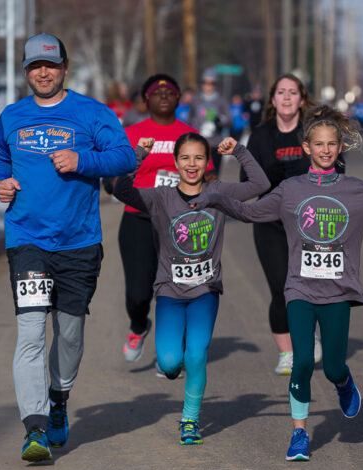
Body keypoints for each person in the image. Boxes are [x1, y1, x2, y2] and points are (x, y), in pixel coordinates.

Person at [192, 105, 363, 461]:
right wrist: (216, 198)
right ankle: (299, 435)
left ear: (339, 148)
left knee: (331, 366)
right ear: (306, 148)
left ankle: (344, 383)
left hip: (338, 292)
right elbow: (251, 213)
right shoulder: (290, 190)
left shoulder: (355, 190)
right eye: (319, 144)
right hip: (299, 289)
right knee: (300, 363)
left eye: (332, 144)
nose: (326, 149)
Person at [0, 33, 135, 462]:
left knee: (69, 334)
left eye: (50, 65)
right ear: (27, 71)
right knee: (31, 333)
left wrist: (82, 161)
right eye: (34, 66)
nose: (43, 72)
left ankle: (59, 398)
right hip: (27, 239)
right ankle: (34, 428)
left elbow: (125, 157)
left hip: (78, 242)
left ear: (64, 67)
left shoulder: (91, 112)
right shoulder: (12, 116)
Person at [113, 134, 269, 445]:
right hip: (170, 292)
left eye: (199, 157)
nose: (192, 164)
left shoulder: (219, 191)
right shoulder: (160, 197)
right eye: (185, 158)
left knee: (197, 354)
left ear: (207, 162)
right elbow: (121, 190)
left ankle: (189, 419)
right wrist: (138, 155)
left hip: (205, 291)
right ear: (175, 162)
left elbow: (260, 184)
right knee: (170, 363)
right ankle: (173, 367)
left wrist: (239, 150)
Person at [116, 74, 212, 367]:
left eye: (170, 91)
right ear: (146, 100)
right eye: (156, 92)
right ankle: (138, 325)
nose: (163, 96)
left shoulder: (189, 134)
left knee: (177, 287)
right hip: (138, 219)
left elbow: (205, 173)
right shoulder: (132, 133)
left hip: (178, 223)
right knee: (138, 293)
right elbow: (118, 171)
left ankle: (172, 353)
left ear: (178, 98)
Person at [242, 73, 324, 375]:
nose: (287, 97)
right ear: (273, 100)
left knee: (309, 285)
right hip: (270, 221)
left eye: (292, 92)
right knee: (280, 287)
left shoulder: (315, 132)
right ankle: (286, 352)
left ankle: (310, 335)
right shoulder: (261, 136)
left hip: (310, 222)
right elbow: (247, 181)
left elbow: (336, 166)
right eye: (281, 92)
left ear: (302, 99)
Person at [188, 69, 232, 175]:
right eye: (205, 82)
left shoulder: (221, 100)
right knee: (198, 174)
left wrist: (220, 120)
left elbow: (230, 121)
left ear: (215, 85)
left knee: (213, 176)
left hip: (215, 144)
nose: (208, 86)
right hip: (198, 143)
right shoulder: (195, 100)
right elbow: (189, 119)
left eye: (211, 83)